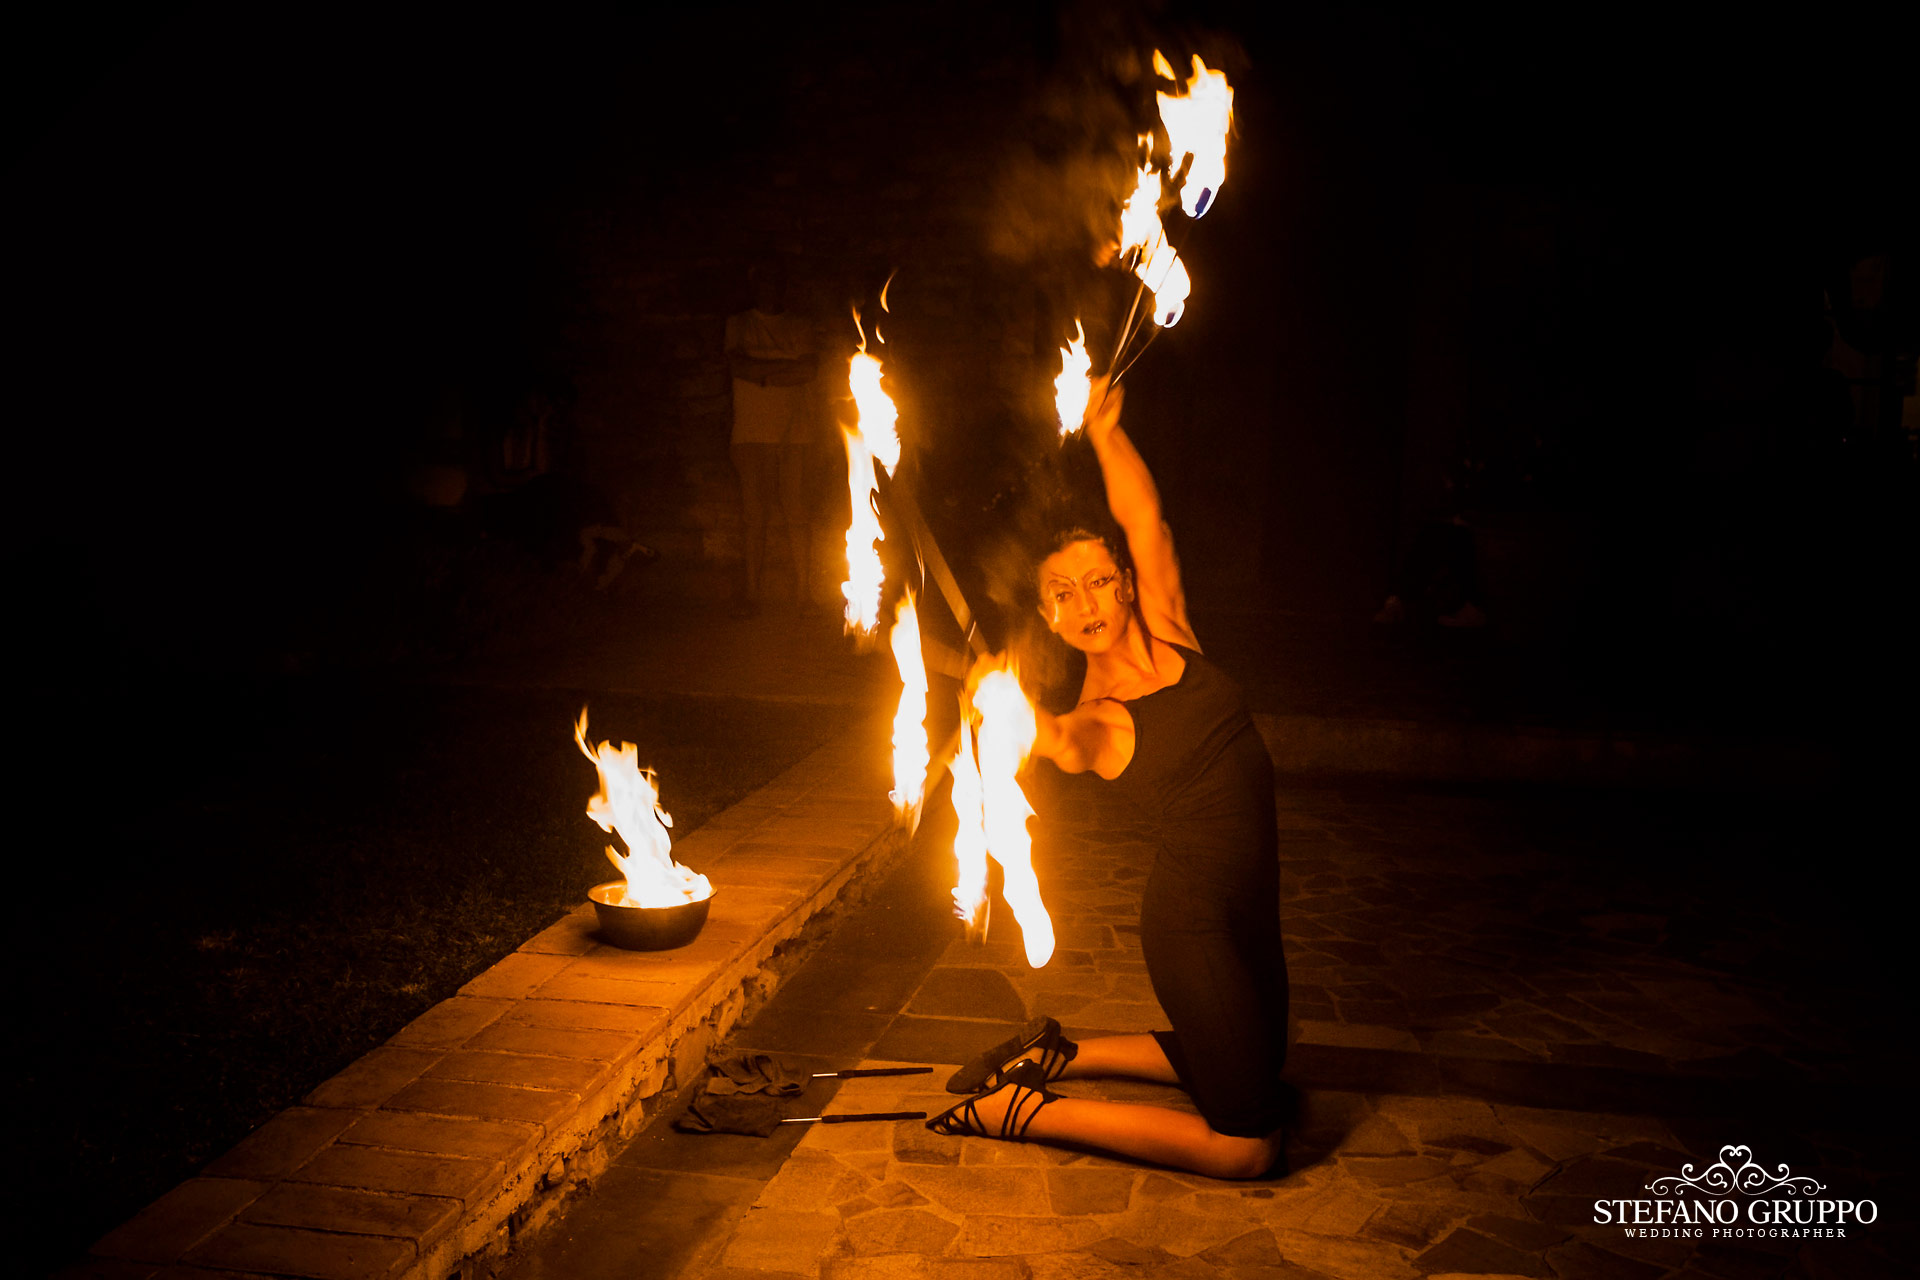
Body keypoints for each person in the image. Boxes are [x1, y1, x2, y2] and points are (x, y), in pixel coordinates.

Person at [927, 379, 1289, 1180]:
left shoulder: (1171, 627)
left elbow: (1145, 522)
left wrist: (1105, 431)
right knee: (1250, 1144)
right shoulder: (1096, 714)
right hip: (1190, 921)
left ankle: (1059, 1052)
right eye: (1060, 594)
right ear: (1050, 619)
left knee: (1265, 1067)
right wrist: (1004, 699)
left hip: (1251, 903)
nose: (1082, 600)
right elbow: (1054, 741)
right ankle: (1027, 1111)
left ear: (1124, 583)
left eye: (1095, 580)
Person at [725, 262, 819, 616]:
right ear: (755, 286)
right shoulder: (739, 325)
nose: (769, 290)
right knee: (754, 516)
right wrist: (783, 369)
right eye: (763, 283)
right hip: (751, 433)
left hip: (797, 434)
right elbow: (737, 368)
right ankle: (751, 594)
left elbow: (808, 370)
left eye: (775, 282)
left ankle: (805, 594)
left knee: (798, 515)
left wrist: (760, 373)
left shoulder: (800, 325)